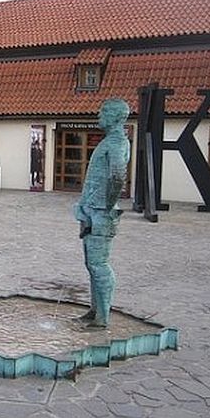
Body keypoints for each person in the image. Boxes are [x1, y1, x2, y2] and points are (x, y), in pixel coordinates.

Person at [74, 98, 130, 328]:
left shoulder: (117, 142)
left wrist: (107, 206)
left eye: (104, 112)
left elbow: (117, 176)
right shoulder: (110, 141)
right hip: (92, 210)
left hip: (100, 213)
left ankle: (103, 316)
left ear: (116, 117)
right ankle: (95, 309)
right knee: (91, 263)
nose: (99, 115)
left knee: (99, 264)